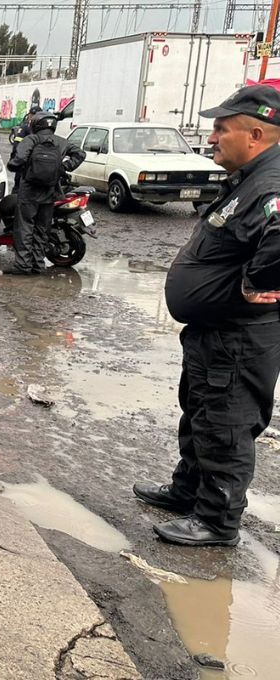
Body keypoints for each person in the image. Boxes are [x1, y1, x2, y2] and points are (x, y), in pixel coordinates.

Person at [134, 86, 280, 547]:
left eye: (222, 127)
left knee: (227, 423)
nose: (212, 136)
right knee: (200, 411)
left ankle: (217, 521)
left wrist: (249, 286)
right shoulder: (249, 177)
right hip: (214, 332)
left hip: (238, 337)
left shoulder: (272, 184)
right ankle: (189, 491)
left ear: (254, 133)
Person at [6, 113, 85, 275]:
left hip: (29, 191)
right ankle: (38, 265)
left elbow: (18, 159)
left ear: (36, 125)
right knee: (42, 229)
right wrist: (63, 168)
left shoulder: (31, 140)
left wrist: (13, 166)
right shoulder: (62, 142)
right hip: (50, 192)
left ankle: (23, 266)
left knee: (25, 228)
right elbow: (80, 154)